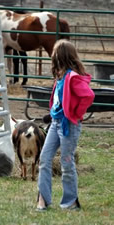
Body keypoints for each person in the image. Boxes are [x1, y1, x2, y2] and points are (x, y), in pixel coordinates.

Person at [36, 39, 95, 211]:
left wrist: (75, 114)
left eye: (54, 53)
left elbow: (88, 96)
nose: (52, 56)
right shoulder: (61, 76)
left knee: (66, 162)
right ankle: (43, 199)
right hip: (56, 124)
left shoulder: (72, 77)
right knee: (44, 159)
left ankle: (70, 202)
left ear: (61, 56)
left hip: (69, 125)